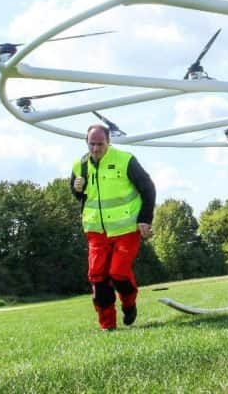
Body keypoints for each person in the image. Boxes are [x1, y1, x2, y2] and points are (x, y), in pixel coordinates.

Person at [70, 124, 156, 330]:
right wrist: (76, 189)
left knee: (118, 273)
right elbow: (80, 195)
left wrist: (145, 219)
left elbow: (148, 188)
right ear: (86, 143)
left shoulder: (126, 160)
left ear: (109, 141)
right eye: (92, 144)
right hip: (95, 231)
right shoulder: (79, 165)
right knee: (97, 277)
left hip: (126, 229)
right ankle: (107, 326)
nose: (96, 149)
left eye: (100, 144)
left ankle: (129, 304)